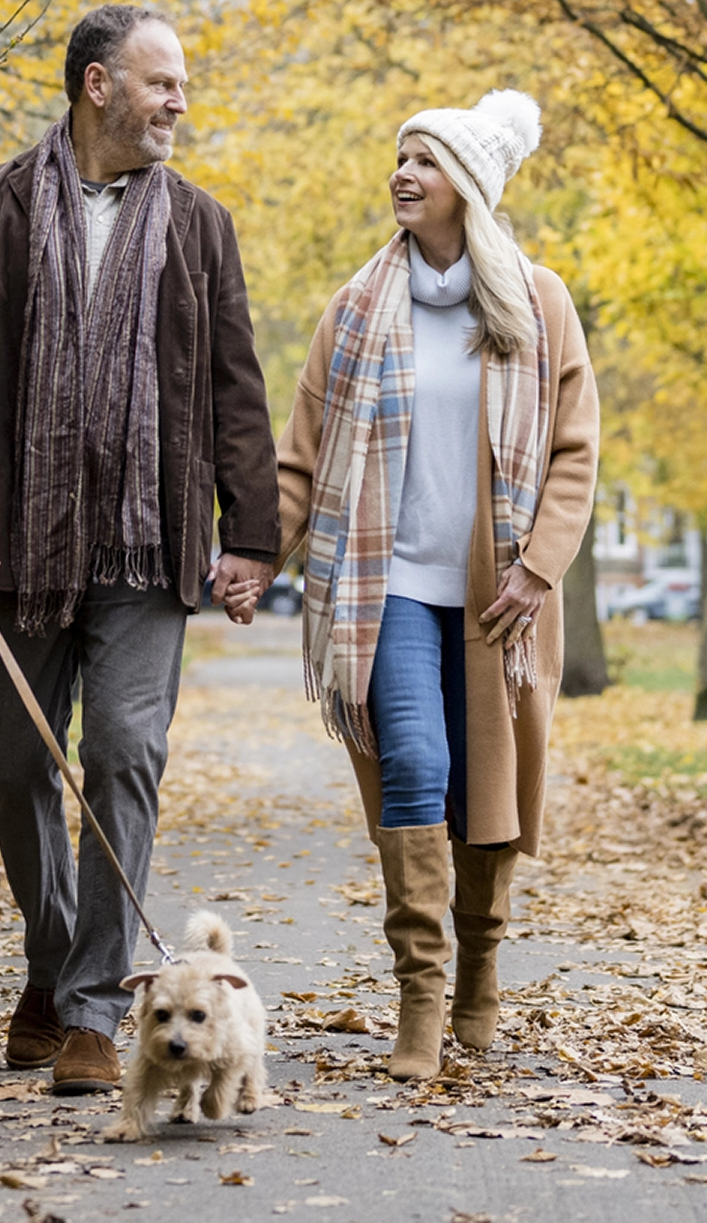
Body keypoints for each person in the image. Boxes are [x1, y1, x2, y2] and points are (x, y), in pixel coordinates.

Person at [0, 5, 280, 1095]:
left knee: (121, 753)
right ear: (95, 85)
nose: (178, 104)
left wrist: (249, 537)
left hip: (146, 546)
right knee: (17, 762)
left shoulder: (200, 225)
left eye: (183, 88)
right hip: (13, 546)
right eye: (161, 83)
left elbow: (233, 391)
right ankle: (53, 964)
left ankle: (83, 1009)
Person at [254, 90, 598, 1080]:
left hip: (500, 596)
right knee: (413, 763)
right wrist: (250, 563)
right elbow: (302, 460)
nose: (401, 175)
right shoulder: (356, 310)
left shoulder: (537, 301)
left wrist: (538, 568)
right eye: (397, 158)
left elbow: (573, 450)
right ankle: (418, 996)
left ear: (469, 189)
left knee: (484, 800)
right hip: (386, 586)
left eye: (423, 161)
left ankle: (480, 967)